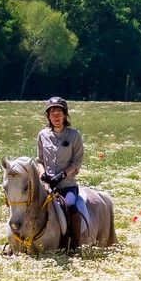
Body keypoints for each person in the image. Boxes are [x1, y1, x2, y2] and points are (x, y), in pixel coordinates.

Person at [37, 97, 88, 250]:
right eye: (53, 114)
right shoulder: (42, 135)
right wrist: (42, 174)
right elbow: (39, 160)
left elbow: (77, 161)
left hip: (67, 185)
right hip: (46, 185)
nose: (56, 117)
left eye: (59, 113)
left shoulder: (74, 136)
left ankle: (74, 246)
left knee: (71, 206)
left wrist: (62, 175)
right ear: (48, 117)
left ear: (65, 115)